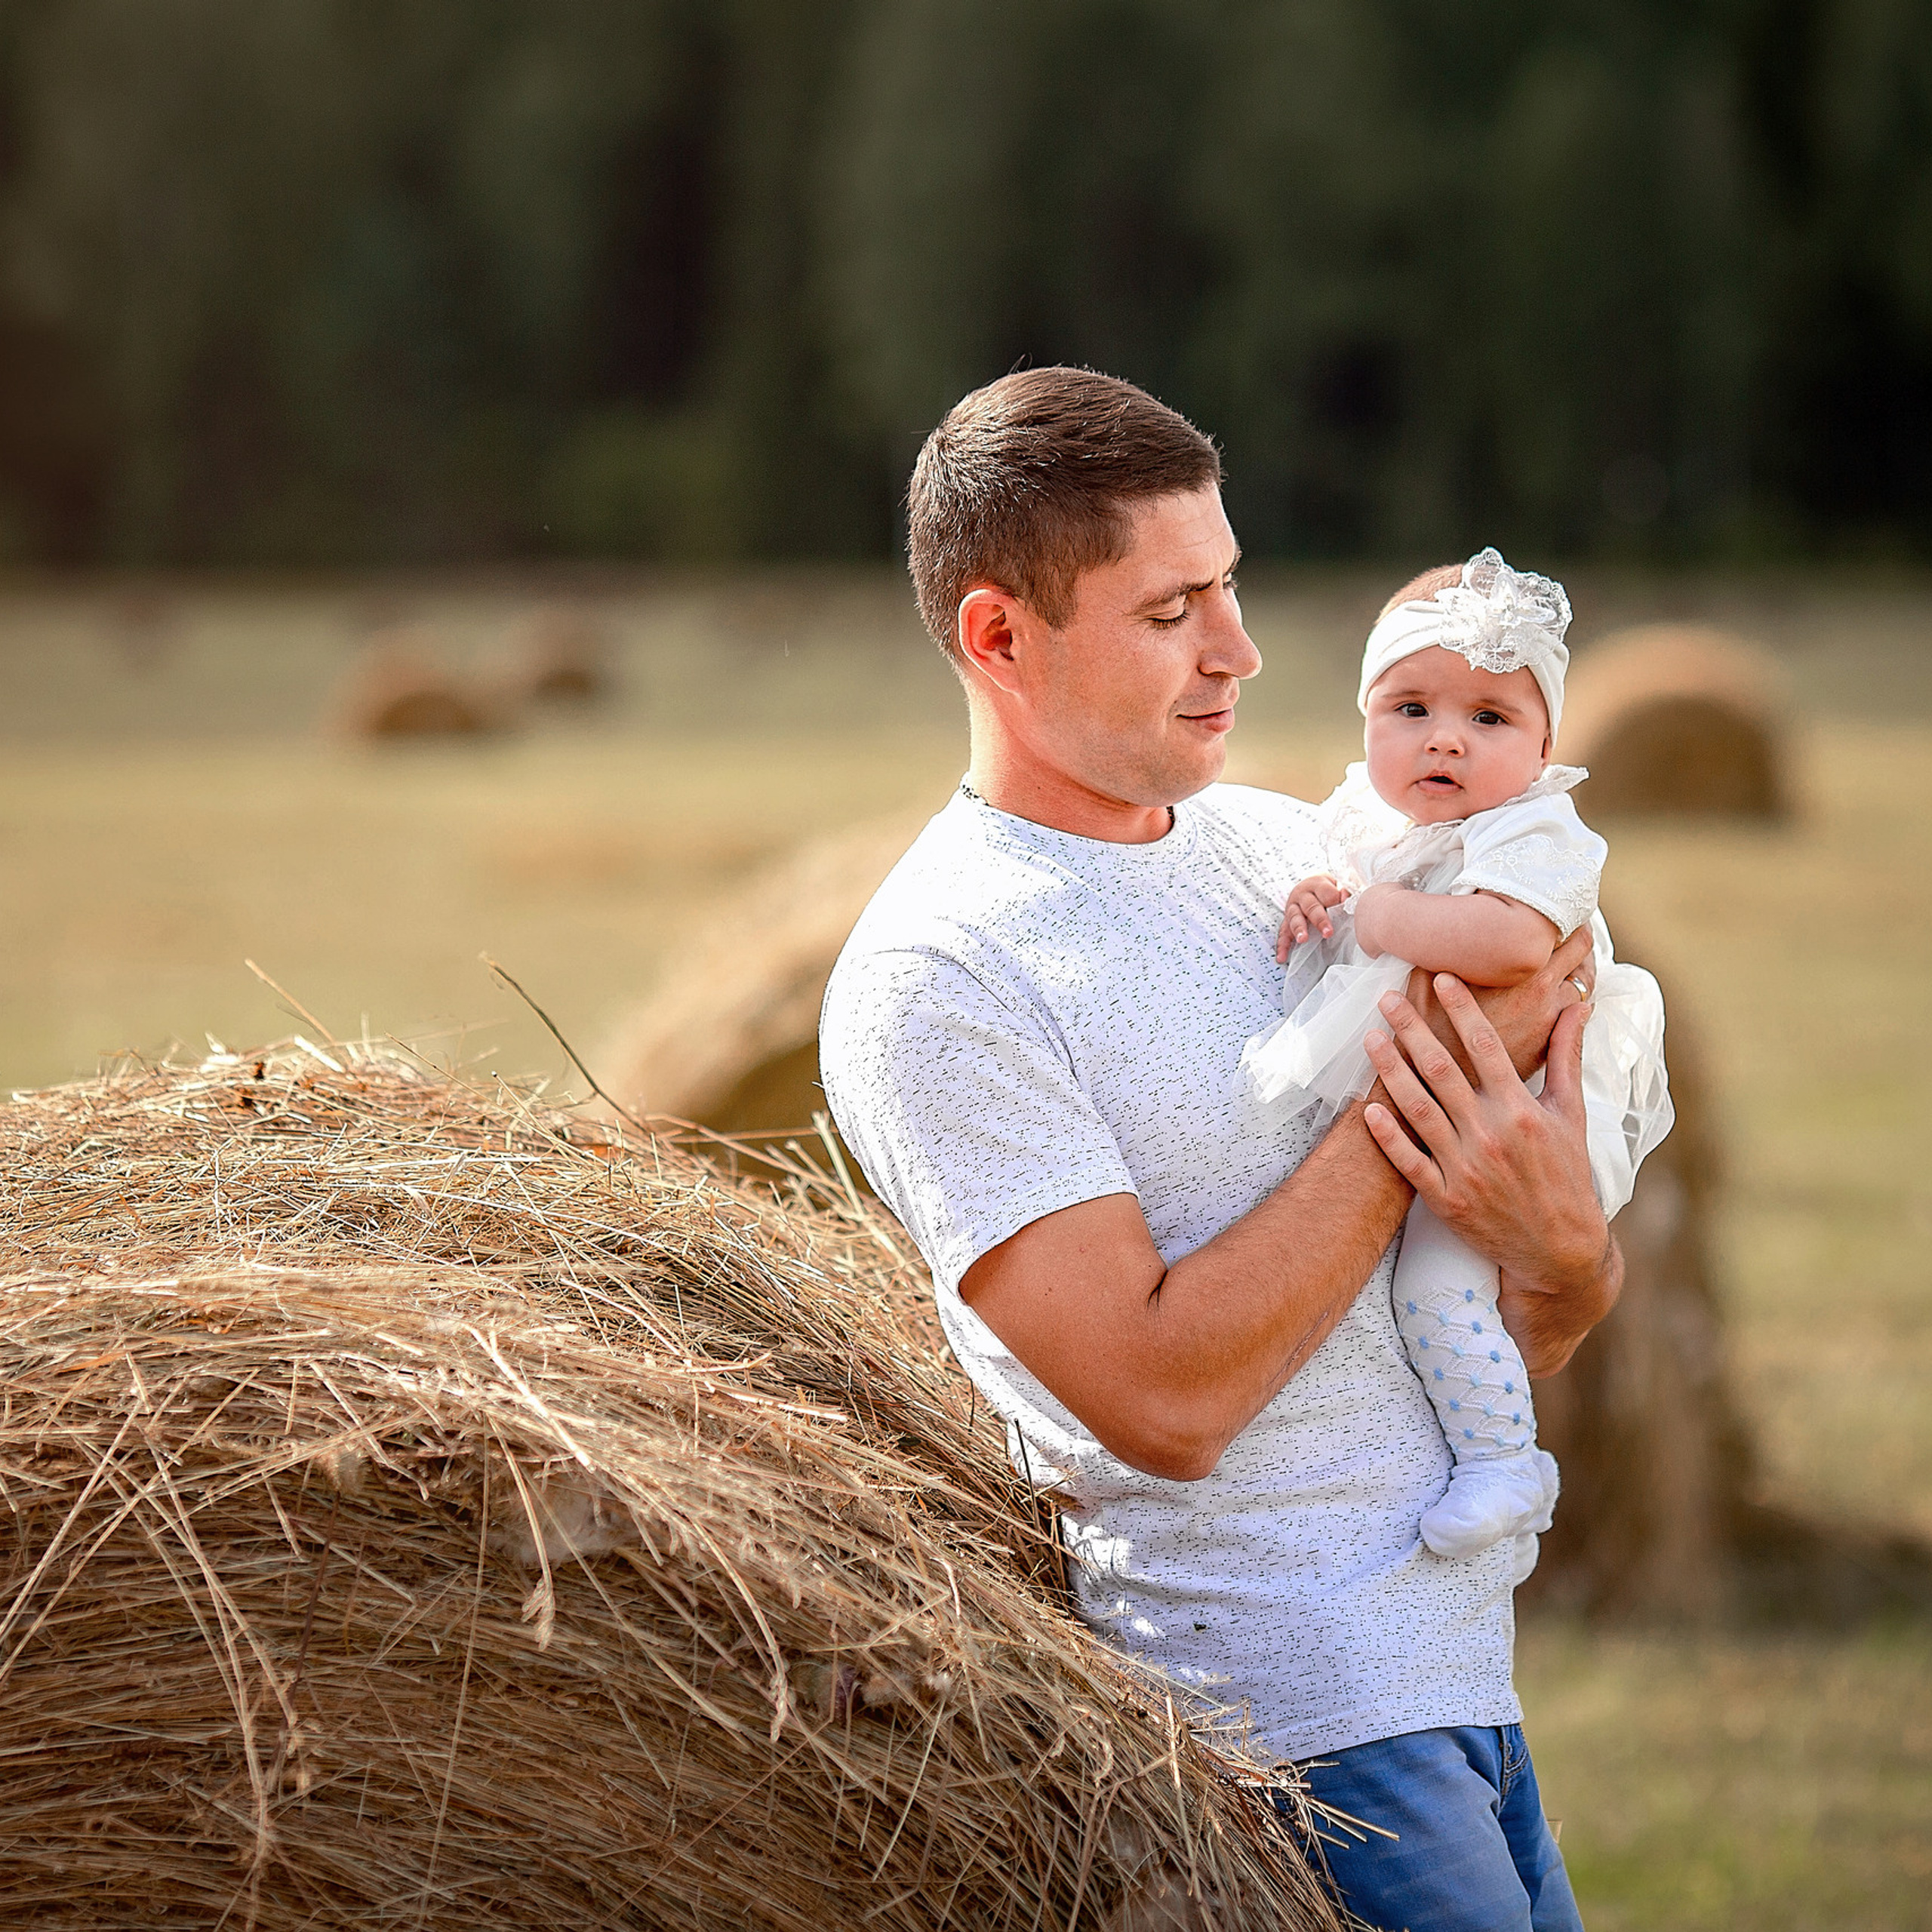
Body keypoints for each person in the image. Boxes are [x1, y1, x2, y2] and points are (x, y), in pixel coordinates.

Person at [819, 367, 1617, 1931]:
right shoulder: (943, 976)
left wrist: (1572, 1261)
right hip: (1287, 1728)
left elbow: (1478, 1323)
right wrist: (1410, 1110)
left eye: (1230, 587)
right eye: (1172, 609)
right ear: (999, 637)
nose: (1238, 650)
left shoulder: (1294, 847)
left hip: (1466, 1683)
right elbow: (1163, 1401)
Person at [1245, 548, 1674, 1581]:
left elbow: (1515, 946)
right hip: (1429, 1091)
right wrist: (1320, 901)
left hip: (1504, 1111)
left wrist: (1379, 915)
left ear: (1545, 746)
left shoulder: (1539, 831)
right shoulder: (1367, 823)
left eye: (1489, 717)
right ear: (1365, 719)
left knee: (1436, 1286)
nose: (1445, 737)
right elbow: (1350, 910)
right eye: (1410, 709)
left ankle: (1503, 1464)